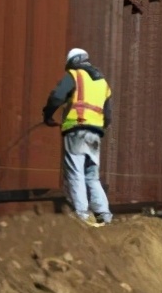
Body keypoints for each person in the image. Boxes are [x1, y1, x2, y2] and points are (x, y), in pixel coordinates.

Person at [42, 48, 113, 227]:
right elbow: (108, 115)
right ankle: (104, 214)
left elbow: (56, 97)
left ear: (72, 62)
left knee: (76, 173)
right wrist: (99, 127)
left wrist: (47, 115)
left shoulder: (74, 75)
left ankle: (82, 215)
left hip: (76, 130)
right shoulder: (102, 83)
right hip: (95, 134)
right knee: (92, 176)